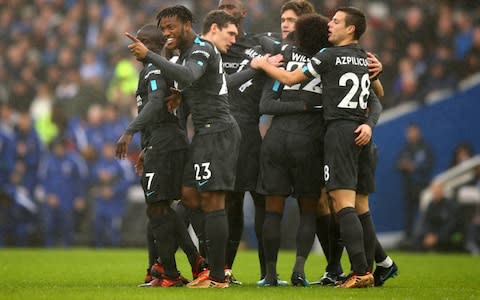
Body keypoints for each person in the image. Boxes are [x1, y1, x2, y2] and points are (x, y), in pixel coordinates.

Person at [251, 6, 383, 288]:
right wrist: (378, 77)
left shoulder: (324, 56)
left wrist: (262, 65)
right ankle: (360, 269)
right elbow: (378, 94)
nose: (330, 26)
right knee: (352, 207)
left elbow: (285, 82)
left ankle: (358, 271)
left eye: (336, 22)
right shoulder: (364, 57)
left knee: (340, 204)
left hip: (331, 133)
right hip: (350, 133)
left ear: (351, 29)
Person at [126, 6, 242, 288]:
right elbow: (190, 86)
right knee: (189, 196)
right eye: (163, 29)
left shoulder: (201, 49)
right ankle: (200, 265)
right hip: (204, 133)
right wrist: (180, 97)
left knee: (213, 202)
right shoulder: (185, 55)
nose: (166, 33)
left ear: (188, 25)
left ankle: (217, 276)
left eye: (171, 27)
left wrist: (150, 55)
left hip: (219, 131)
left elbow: (190, 76)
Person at [116, 23, 206, 287]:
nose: (133, 46)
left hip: (166, 145)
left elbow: (156, 102)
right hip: (164, 142)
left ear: (153, 45)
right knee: (161, 207)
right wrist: (147, 146)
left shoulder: (154, 69)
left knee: (157, 207)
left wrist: (129, 132)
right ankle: (185, 264)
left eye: (140, 41)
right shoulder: (157, 69)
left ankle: (170, 272)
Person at [216, 0, 285, 284]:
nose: (226, 8)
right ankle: (223, 271)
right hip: (223, 132)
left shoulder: (260, 44)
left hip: (254, 131)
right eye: (222, 5)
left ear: (243, 13)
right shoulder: (210, 50)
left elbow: (294, 55)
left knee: (262, 200)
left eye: (232, 5)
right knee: (228, 203)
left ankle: (268, 273)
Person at [397, 123, 434, 242]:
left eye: (413, 132)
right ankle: (408, 238)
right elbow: (397, 164)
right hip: (408, 186)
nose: (411, 135)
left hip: (422, 186)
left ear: (418, 132)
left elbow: (429, 164)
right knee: (409, 213)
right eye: (409, 132)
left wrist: (415, 167)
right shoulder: (405, 148)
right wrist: (403, 166)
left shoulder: (425, 147)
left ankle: (422, 237)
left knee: (423, 213)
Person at [414, 181, 461, 252]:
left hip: (444, 234)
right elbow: (426, 221)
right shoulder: (431, 204)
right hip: (431, 233)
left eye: (438, 190)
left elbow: (450, 224)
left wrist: (437, 237)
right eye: (434, 190)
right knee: (418, 237)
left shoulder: (450, 205)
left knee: (446, 238)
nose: (436, 192)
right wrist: (428, 234)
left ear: (442, 191)